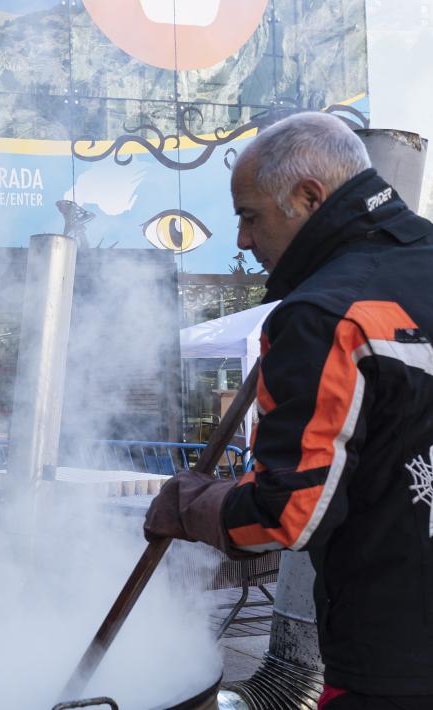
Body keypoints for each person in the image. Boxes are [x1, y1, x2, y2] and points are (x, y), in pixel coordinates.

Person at [144, 112, 433, 708]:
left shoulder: (324, 315)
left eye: (249, 216)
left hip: (398, 658)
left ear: (308, 198)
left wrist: (196, 506)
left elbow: (288, 514)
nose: (244, 241)